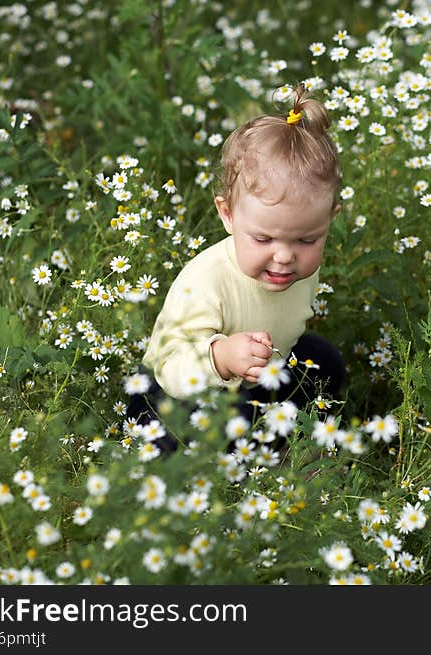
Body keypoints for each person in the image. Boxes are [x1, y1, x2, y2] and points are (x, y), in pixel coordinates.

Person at [128, 83, 347, 450]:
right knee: (208, 426)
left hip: (259, 374)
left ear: (329, 220)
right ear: (227, 215)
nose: (284, 257)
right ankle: (241, 461)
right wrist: (221, 358)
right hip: (178, 394)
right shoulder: (206, 281)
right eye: (263, 239)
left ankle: (302, 446)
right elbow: (171, 365)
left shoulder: (295, 268)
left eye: (307, 240)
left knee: (323, 360)